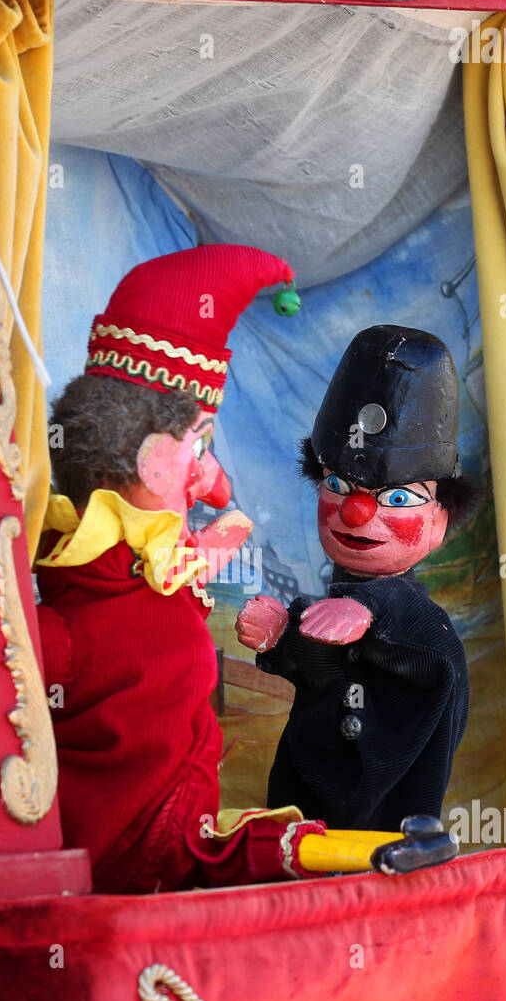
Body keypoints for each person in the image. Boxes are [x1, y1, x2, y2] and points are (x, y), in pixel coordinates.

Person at [35, 243, 330, 892]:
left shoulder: (161, 569)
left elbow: (227, 520)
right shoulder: (73, 612)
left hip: (177, 861)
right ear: (144, 458)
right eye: (198, 439)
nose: (205, 465)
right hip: (112, 886)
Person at [237, 325, 474, 832]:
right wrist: (285, 635)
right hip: (302, 810)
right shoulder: (336, 603)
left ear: (438, 521)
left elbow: (433, 655)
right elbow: (326, 674)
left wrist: (375, 610)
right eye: (340, 485)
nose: (358, 511)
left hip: (387, 824)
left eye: (397, 498)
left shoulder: (419, 627)